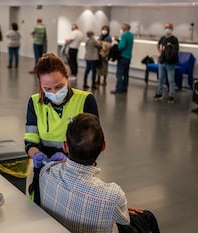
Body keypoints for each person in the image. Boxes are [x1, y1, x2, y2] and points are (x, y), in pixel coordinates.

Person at [39, 113, 161, 233]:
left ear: (65, 146)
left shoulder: (46, 172)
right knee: (147, 217)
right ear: (103, 146)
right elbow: (124, 221)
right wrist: (114, 208)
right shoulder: (112, 196)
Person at [25, 53, 99, 205]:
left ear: (67, 76)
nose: (54, 93)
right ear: (40, 84)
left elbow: (93, 145)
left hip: (76, 175)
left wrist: (69, 160)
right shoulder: (34, 103)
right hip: (45, 172)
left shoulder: (85, 100)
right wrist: (37, 154)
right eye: (47, 88)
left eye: (59, 86)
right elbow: (30, 142)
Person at [153, 22, 179, 103]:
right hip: (162, 61)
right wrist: (160, 51)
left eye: (169, 28)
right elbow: (158, 45)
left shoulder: (174, 39)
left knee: (171, 79)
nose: (167, 29)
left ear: (171, 29)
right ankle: (159, 93)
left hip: (170, 62)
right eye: (166, 28)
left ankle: (171, 95)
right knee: (160, 78)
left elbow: (176, 50)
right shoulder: (162, 38)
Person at [111, 23, 134, 94]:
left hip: (123, 57)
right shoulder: (131, 35)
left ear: (124, 28)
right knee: (126, 74)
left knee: (119, 74)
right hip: (128, 56)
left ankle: (119, 89)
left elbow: (122, 46)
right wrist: (119, 40)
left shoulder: (124, 35)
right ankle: (124, 88)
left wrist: (116, 48)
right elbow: (126, 44)